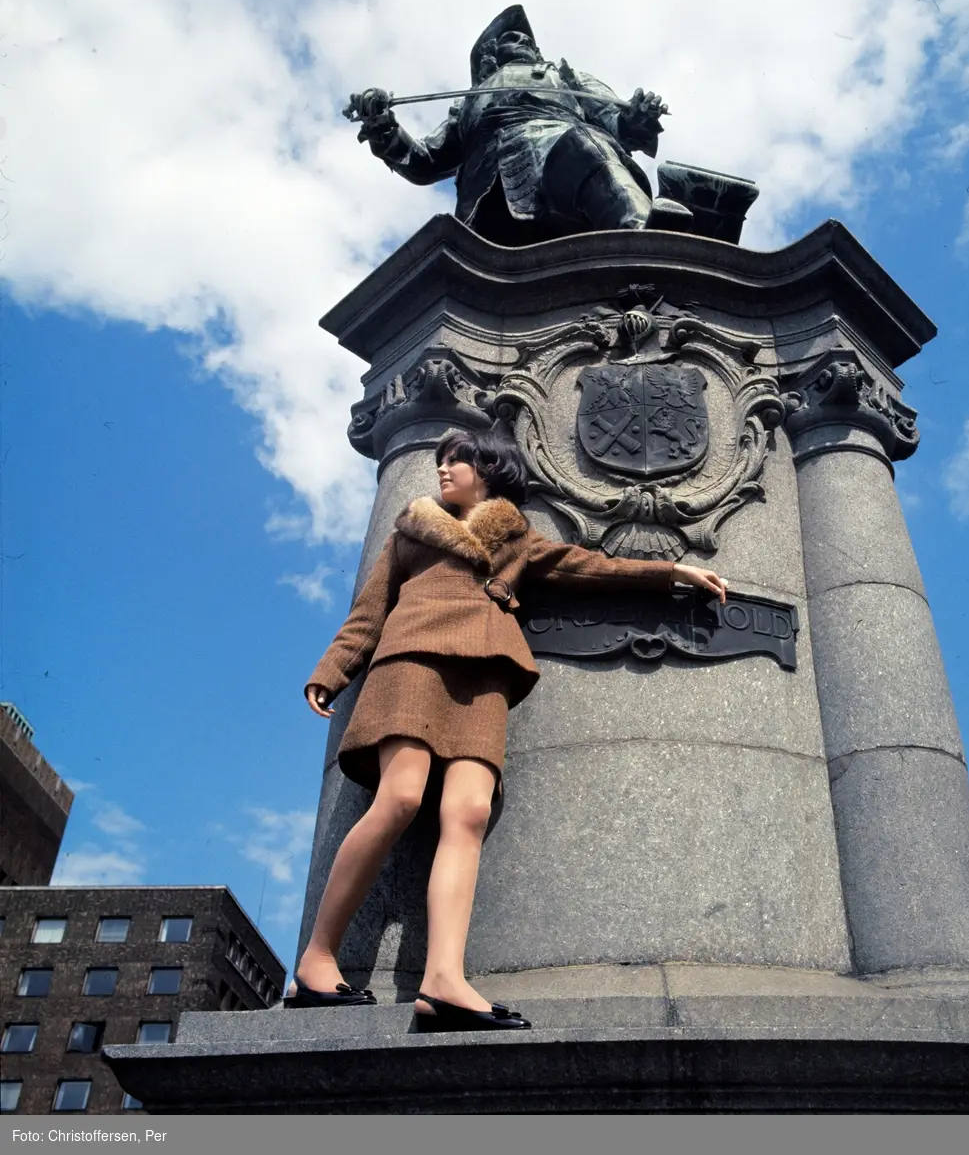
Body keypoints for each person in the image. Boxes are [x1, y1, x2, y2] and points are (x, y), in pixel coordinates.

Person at [288, 425, 727, 1029]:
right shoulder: (411, 532)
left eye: (457, 461)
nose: (443, 470)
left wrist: (672, 573)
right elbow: (369, 612)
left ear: (489, 469)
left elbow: (590, 566)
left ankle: (442, 978)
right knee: (400, 798)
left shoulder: (516, 538)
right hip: (411, 660)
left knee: (467, 815)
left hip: (485, 672)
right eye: (440, 462)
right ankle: (316, 960)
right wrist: (332, 671)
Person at [350, 3, 694, 245]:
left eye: (528, 38)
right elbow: (425, 161)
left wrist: (639, 117)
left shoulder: (565, 76)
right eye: (513, 38)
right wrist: (383, 126)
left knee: (585, 146)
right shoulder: (467, 103)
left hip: (563, 155)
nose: (526, 40)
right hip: (488, 191)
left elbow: (616, 120)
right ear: (490, 54)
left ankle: (643, 239)